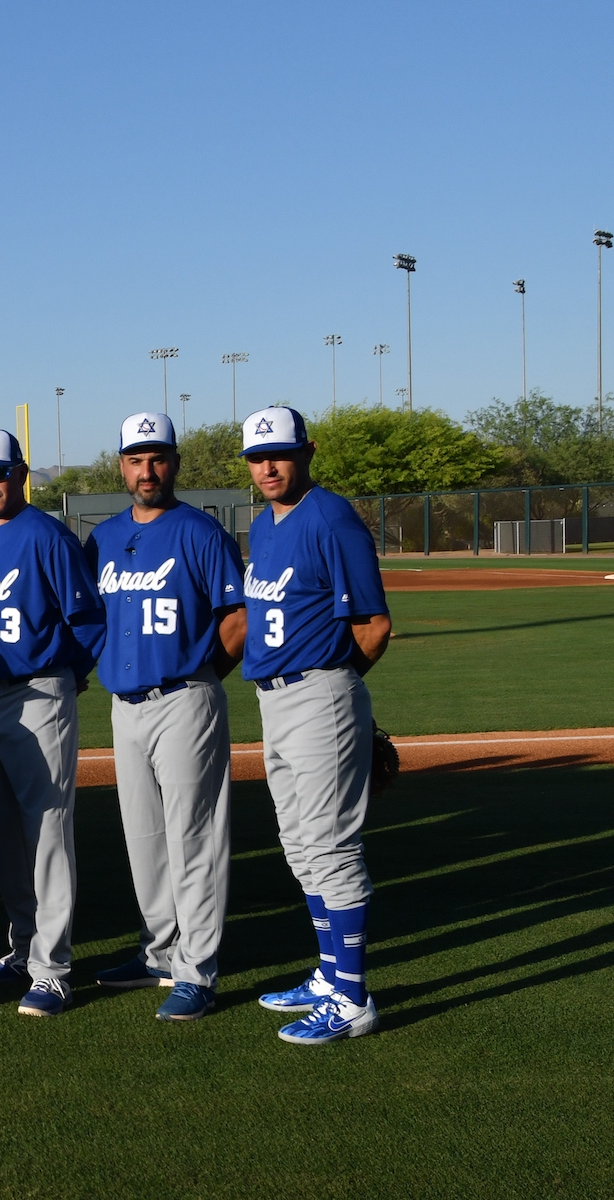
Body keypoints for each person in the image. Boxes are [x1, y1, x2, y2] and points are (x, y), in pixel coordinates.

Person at [83, 413, 247, 1022]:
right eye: (135, 459)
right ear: (121, 465)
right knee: (145, 839)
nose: (146, 471)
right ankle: (159, 953)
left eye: (157, 459)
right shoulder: (101, 539)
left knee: (194, 837)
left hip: (185, 699)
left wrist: (199, 677)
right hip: (125, 706)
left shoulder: (200, 533)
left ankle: (197, 970)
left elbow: (237, 618)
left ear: (174, 462)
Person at [237, 406, 391, 1044]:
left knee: (330, 845)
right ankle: (331, 975)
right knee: (300, 844)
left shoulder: (330, 517)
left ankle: (352, 997)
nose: (268, 467)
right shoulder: (266, 523)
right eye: (257, 457)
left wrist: (338, 690)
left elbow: (374, 626)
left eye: (280, 454)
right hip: (277, 700)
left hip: (319, 691)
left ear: (307, 453)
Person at [0, 429, 105, 1018]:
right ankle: (23, 948)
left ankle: (54, 969)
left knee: (47, 831)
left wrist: (69, 675)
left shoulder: (47, 535)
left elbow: (88, 618)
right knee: (4, 831)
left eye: (0, 472)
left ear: (21, 473)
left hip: (39, 692)